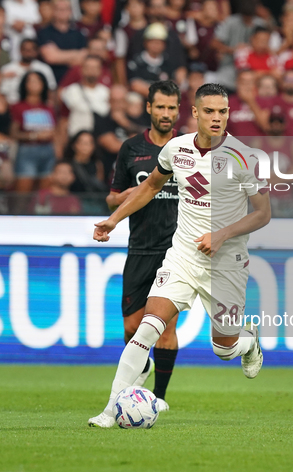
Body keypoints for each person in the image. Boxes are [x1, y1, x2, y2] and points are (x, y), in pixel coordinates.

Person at [88, 83, 270, 428]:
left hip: (225, 263)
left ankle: (248, 342)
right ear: (196, 114)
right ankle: (110, 410)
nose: (217, 118)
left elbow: (263, 214)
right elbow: (152, 186)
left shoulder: (244, 157)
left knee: (224, 349)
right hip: (183, 256)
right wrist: (113, 220)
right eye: (211, 111)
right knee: (146, 328)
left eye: (224, 111)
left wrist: (222, 234)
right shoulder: (176, 149)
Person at [99, 81, 181, 414]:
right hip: (140, 247)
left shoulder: (188, 148)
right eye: (160, 107)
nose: (166, 113)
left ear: (179, 110)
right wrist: (129, 196)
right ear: (148, 108)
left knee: (165, 326)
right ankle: (142, 367)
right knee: (133, 327)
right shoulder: (131, 148)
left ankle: (159, 396)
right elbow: (111, 197)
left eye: (172, 107)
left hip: (176, 251)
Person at [10, 71, 56, 192]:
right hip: (27, 151)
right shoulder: (18, 107)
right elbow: (13, 133)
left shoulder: (49, 107)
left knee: (44, 196)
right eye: (30, 81)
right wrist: (34, 136)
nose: (34, 84)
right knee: (23, 194)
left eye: (37, 81)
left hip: (48, 150)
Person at [59, 54, 110, 147]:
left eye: (95, 67)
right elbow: (63, 121)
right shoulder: (70, 92)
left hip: (99, 144)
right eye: (88, 67)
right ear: (81, 69)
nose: (91, 71)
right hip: (77, 142)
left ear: (100, 71)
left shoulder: (106, 92)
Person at [38, 0, 87, 84]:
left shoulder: (78, 34)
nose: (62, 12)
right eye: (59, 9)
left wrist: (59, 54)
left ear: (70, 11)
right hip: (52, 80)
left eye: (65, 9)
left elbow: (84, 57)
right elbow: (51, 57)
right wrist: (75, 54)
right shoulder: (45, 32)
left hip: (75, 81)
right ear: (53, 11)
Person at [0, 38, 57, 105]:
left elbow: (51, 91)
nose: (28, 53)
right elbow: (1, 93)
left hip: (38, 109)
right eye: (26, 50)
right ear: (20, 50)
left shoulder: (44, 69)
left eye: (31, 50)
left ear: (36, 51)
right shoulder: (7, 69)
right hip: (11, 107)